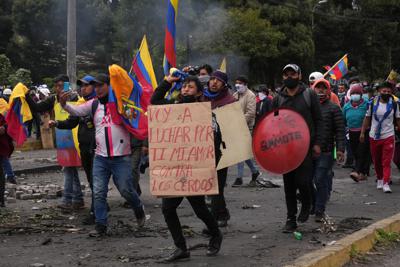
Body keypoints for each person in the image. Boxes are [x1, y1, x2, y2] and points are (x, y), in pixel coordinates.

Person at [59, 73, 145, 237]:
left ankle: (138, 208)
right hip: (100, 157)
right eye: (95, 86)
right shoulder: (93, 105)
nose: (97, 89)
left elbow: (135, 117)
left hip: (122, 157)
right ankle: (101, 226)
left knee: (126, 190)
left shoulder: (121, 104)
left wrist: (129, 111)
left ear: (109, 85)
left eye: (100, 85)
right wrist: (64, 104)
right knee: (98, 192)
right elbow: (75, 111)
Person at [150, 74, 223, 262]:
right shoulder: (171, 109)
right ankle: (181, 248)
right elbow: (154, 100)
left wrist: (206, 166)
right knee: (168, 209)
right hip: (174, 169)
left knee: (199, 209)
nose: (185, 90)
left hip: (193, 169)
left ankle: (216, 235)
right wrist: (167, 81)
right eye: (183, 87)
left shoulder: (206, 114)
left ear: (199, 92)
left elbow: (212, 143)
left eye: (190, 87)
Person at [272, 64, 323, 232]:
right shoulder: (278, 98)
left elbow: (318, 120)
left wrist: (317, 143)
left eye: (292, 74)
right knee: (289, 185)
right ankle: (290, 218)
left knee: (303, 181)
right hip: (285, 149)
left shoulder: (309, 95)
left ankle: (307, 202)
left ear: (300, 76)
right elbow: (271, 123)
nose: (289, 77)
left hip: (305, 147)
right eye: (286, 74)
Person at [26, 75, 84, 211]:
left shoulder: (75, 98)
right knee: (70, 168)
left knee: (69, 169)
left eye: (61, 85)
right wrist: (27, 95)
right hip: (62, 139)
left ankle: (67, 200)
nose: (58, 88)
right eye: (56, 86)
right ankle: (78, 199)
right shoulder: (53, 99)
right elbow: (37, 107)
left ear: (67, 85)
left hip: (74, 138)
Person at [48, 75, 97, 224]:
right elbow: (72, 121)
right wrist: (57, 123)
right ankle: (98, 209)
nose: (83, 88)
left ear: (95, 87)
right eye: (81, 86)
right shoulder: (82, 105)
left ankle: (98, 209)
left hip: (98, 147)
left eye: (87, 85)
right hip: (84, 147)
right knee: (91, 179)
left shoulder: (100, 104)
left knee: (102, 180)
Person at [201, 70, 236, 227]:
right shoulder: (201, 98)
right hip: (203, 150)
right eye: (212, 79)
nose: (214, 82)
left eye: (218, 80)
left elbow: (234, 128)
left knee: (217, 186)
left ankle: (216, 219)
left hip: (221, 150)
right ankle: (221, 214)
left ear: (224, 84)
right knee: (209, 185)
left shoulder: (229, 101)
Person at [311, 78, 345, 221]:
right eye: (318, 88)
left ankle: (319, 210)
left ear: (329, 90)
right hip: (308, 152)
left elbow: (340, 130)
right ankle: (314, 203)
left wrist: (341, 149)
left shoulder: (334, 108)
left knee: (320, 179)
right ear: (313, 89)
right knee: (306, 181)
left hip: (326, 151)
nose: (321, 91)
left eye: (324, 88)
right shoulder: (308, 108)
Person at [360, 81, 400, 193]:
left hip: (388, 135)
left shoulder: (394, 104)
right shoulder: (372, 103)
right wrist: (363, 133)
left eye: (388, 91)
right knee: (376, 160)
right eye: (384, 91)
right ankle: (380, 179)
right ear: (379, 91)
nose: (386, 93)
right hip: (374, 136)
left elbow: (398, 120)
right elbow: (367, 118)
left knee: (386, 161)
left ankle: (386, 183)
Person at [231, 76, 260, 187]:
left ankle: (239, 178)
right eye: (236, 83)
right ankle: (254, 171)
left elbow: (251, 113)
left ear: (245, 84)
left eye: (240, 83)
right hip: (236, 127)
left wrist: (238, 121)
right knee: (242, 153)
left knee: (240, 153)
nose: (238, 85)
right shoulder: (235, 95)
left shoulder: (251, 95)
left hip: (246, 127)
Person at [343, 83, 371, 182]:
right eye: (353, 93)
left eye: (357, 93)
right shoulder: (346, 106)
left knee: (361, 151)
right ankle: (363, 173)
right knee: (355, 152)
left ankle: (356, 171)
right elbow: (344, 120)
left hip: (364, 132)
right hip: (351, 132)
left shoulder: (367, 104)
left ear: (361, 94)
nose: (355, 95)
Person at [0, 112, 14, 207]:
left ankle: (1, 200)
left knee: (1, 176)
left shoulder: (1, 115)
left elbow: (9, 123)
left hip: (1, 148)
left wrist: (4, 127)